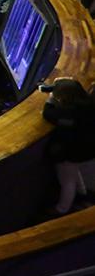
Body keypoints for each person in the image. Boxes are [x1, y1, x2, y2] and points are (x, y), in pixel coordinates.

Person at [42, 78, 95, 215]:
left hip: (73, 152)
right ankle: (82, 194)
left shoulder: (73, 115)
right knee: (75, 173)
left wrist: (50, 101)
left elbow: (49, 115)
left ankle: (62, 209)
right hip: (87, 149)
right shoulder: (88, 104)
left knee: (67, 180)